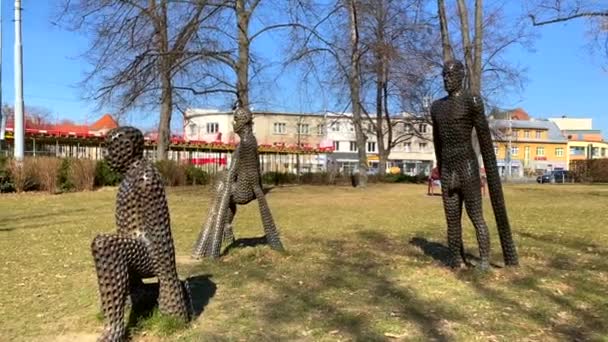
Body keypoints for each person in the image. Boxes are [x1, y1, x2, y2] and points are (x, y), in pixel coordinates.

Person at [430, 59, 518, 270]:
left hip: (466, 165)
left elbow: (485, 141)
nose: (446, 79)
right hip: (448, 167)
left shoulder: (472, 101)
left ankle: (484, 261)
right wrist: (441, 170)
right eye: (444, 75)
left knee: (476, 216)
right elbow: (437, 142)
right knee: (452, 219)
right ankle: (456, 259)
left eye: (450, 75)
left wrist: (491, 174)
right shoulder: (437, 107)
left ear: (461, 76)